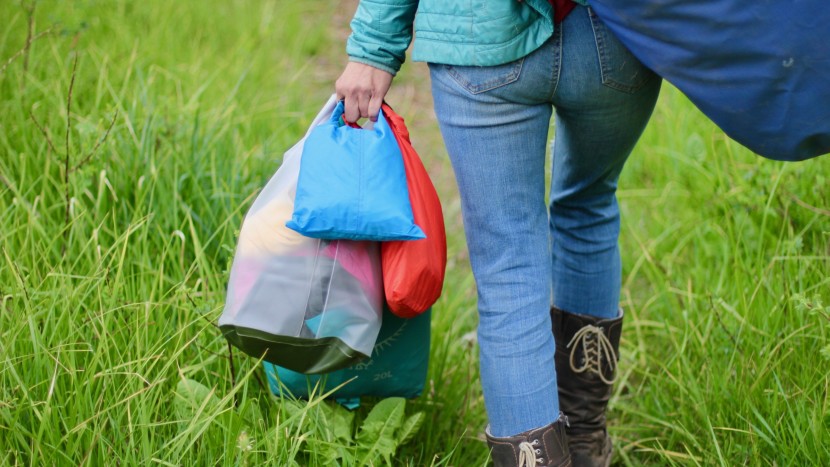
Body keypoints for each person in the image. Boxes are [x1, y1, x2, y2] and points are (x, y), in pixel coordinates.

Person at [335, 0, 661, 465]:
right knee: (588, 206)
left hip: (479, 34)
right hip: (615, 35)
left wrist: (373, 48)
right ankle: (586, 442)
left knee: (509, 263)